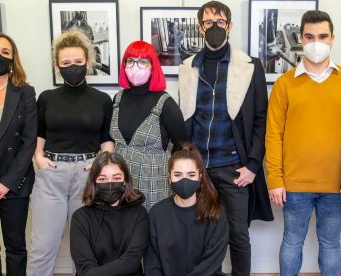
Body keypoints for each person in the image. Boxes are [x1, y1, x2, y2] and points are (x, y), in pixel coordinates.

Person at [177, 2, 273, 275]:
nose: (215, 27)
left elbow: (260, 120)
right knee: (202, 235)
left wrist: (253, 164)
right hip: (198, 167)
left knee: (238, 236)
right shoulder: (188, 67)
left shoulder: (250, 66)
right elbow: (185, 116)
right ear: (200, 28)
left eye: (221, 22)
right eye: (209, 23)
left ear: (230, 26)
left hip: (233, 166)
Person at [265, 10, 341, 275]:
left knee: (330, 244)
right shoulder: (284, 84)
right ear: (301, 38)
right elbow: (273, 134)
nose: (316, 42)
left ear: (332, 38)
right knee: (292, 242)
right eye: (309, 36)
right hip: (294, 184)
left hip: (337, 183)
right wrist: (275, 178)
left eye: (322, 36)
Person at [28, 29, 114, 276]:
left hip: (88, 176)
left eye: (78, 61)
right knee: (42, 246)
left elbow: (106, 139)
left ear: (88, 62)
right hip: (51, 176)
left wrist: (101, 162)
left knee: (87, 248)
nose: (72, 66)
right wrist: (39, 159)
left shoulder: (102, 100)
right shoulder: (46, 98)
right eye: (66, 62)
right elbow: (39, 135)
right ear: (57, 65)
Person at [110, 40, 188, 210]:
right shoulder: (118, 98)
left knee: (152, 231)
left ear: (153, 66)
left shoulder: (165, 103)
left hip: (154, 181)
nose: (134, 66)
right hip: (121, 181)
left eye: (142, 61)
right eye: (130, 61)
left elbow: (183, 143)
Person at [0, 33, 37, 276]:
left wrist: (7, 182)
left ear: (13, 59)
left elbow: (29, 143)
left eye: (5, 52)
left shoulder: (25, 93)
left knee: (16, 246)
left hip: (14, 178)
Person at [144, 143, 228, 275]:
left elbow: (211, 263)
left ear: (200, 177)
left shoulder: (216, 213)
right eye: (177, 175)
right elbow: (152, 263)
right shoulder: (157, 213)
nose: (184, 180)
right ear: (169, 177)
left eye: (191, 175)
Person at [70, 151, 149, 276]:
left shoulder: (140, 214)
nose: (110, 184)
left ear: (125, 181)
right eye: (102, 178)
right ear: (94, 182)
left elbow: (131, 262)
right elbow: (84, 267)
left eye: (116, 178)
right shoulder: (80, 217)